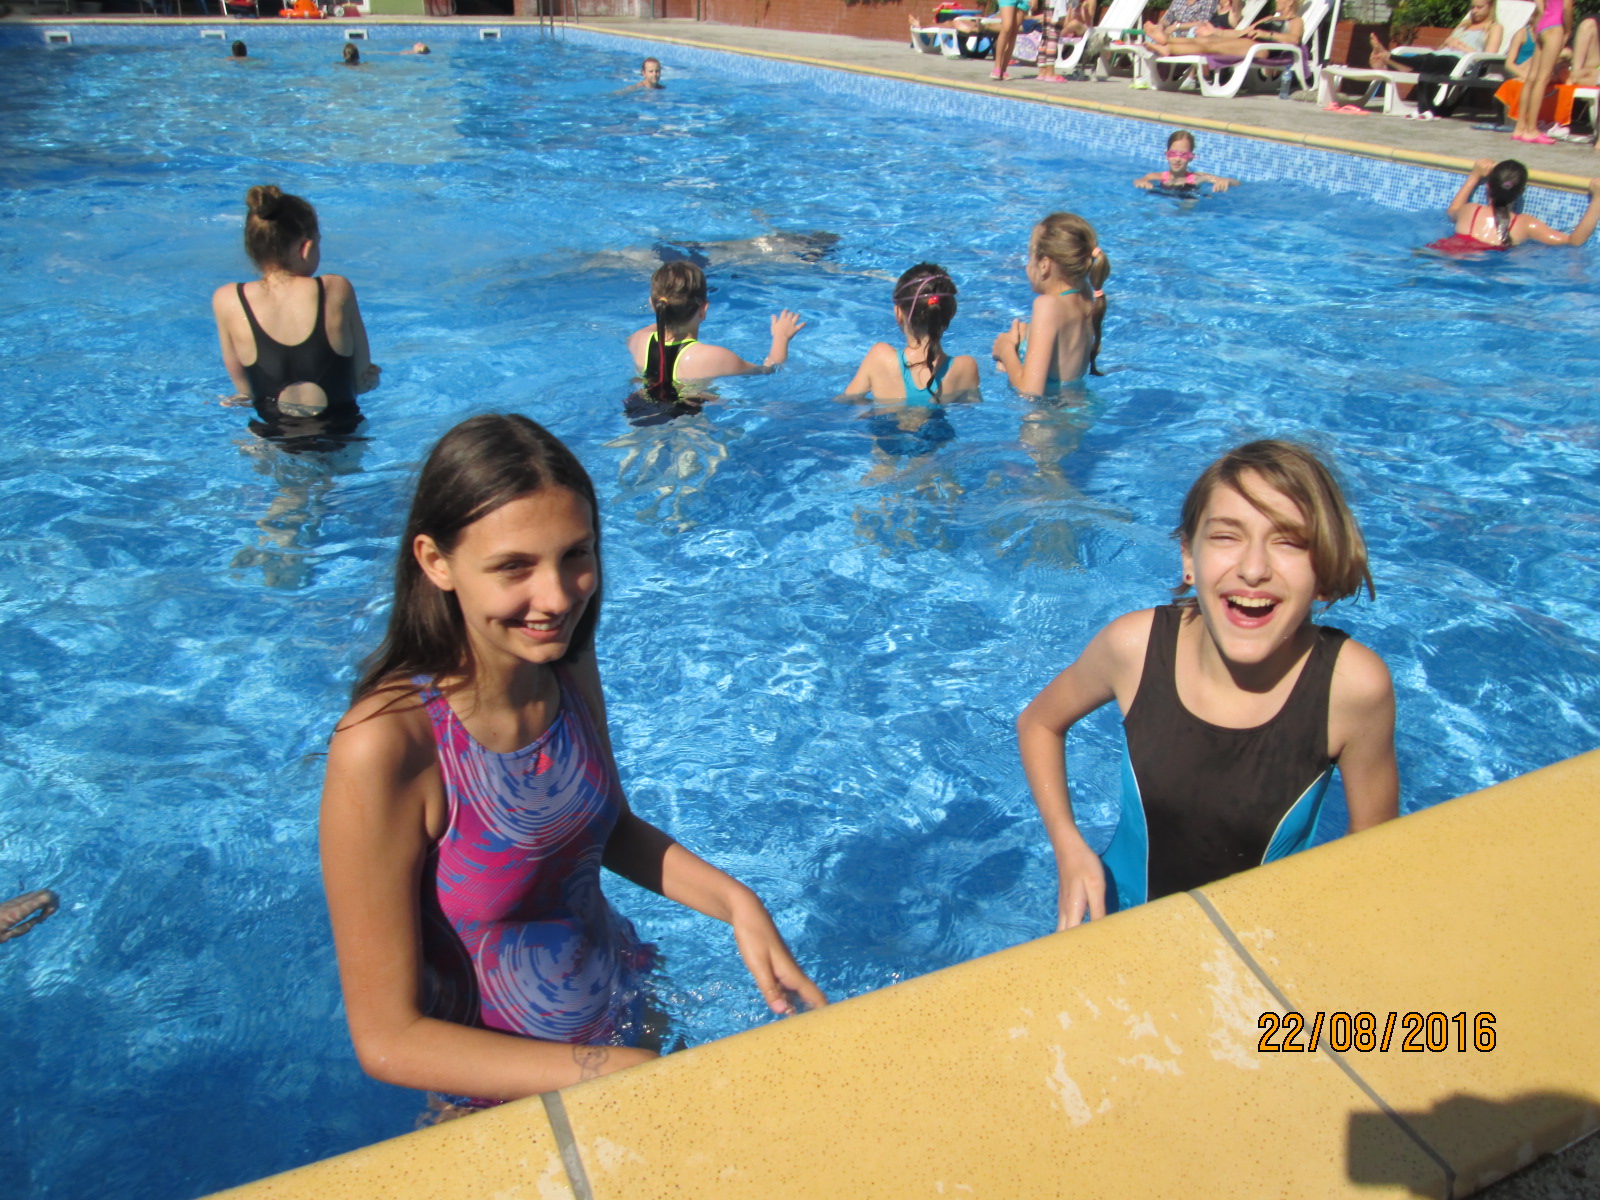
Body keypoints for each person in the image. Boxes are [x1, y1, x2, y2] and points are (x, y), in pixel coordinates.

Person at [320, 414, 826, 1112]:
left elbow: (606, 828)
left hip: (626, 1017)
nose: (558, 598)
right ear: (436, 562)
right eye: (514, 567)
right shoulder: (389, 744)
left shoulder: (562, 664)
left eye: (575, 555)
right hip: (505, 1098)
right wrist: (606, 1071)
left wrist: (736, 903)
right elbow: (388, 1038)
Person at [1016, 440, 1399, 927]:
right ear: (1188, 557)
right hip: (1121, 918)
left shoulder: (1350, 688)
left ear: (1324, 567)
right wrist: (1068, 846)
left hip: (1260, 939)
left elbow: (1375, 850)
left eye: (1289, 541)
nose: (1254, 569)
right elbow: (1039, 723)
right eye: (1226, 536)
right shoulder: (1135, 649)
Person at [211, 185, 379, 446]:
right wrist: (371, 380)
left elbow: (244, 388)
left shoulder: (228, 299)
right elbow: (360, 378)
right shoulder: (336, 288)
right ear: (306, 247)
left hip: (270, 436)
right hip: (341, 433)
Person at [626, 261, 804, 415]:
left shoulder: (637, 340)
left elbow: (661, 322)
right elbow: (769, 370)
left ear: (653, 305)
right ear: (703, 309)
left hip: (636, 410)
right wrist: (781, 337)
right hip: (683, 419)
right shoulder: (713, 357)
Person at [992, 212, 1110, 391]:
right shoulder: (1084, 296)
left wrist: (1006, 350)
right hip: (1080, 405)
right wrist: (1025, 337)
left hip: (1053, 410)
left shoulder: (1046, 305)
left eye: (1030, 257)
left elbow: (1030, 391)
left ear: (1044, 265)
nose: (1027, 265)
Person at [844, 263, 981, 404]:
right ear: (952, 313)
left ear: (898, 313)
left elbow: (848, 401)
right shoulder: (965, 368)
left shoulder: (879, 357)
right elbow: (970, 411)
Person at [1366, 0, 1502, 119]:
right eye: (1472, 7)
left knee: (1432, 61)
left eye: (1479, 7)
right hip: (1441, 57)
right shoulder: (1464, 25)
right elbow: (1442, 48)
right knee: (1430, 59)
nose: (1474, 11)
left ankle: (1390, 59)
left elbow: (1488, 56)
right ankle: (1394, 64)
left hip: (1461, 62)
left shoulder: (1494, 28)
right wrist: (1447, 43)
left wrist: (1462, 46)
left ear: (1490, 7)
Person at [1431, 158, 1600, 251]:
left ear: (1488, 186)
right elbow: (1574, 241)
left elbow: (1452, 211)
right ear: (1520, 192)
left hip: (1443, 253)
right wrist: (1597, 198)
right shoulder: (1525, 224)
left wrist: (1474, 176)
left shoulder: (1470, 211)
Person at [1145, 0, 1300, 61]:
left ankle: (1169, 47)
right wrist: (1215, 32)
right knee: (1205, 40)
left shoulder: (1295, 21)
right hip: (1247, 41)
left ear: (1290, 2)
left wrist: (1267, 34)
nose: (1276, 1)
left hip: (1262, 48)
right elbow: (1240, 32)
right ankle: (1167, 41)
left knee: (1211, 47)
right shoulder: (1268, 18)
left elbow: (1295, 39)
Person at [1514, 0, 1570, 142]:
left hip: (1542, 23)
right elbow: (1567, 7)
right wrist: (1568, 30)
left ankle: (1520, 127)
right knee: (1542, 79)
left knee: (1532, 77)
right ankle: (1531, 129)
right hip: (1555, 27)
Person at [1133, 130, 1238, 192]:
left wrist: (1226, 181)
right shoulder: (1156, 177)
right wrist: (1141, 182)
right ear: (1167, 155)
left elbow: (1236, 182)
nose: (1177, 159)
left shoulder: (1198, 177)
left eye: (1183, 155)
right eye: (1173, 154)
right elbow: (1138, 180)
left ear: (1191, 157)